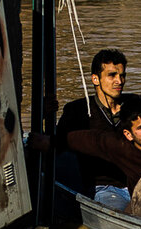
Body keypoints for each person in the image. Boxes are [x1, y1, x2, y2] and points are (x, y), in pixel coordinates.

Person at [55, 48, 131, 211]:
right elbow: (57, 145)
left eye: (122, 75)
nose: (119, 81)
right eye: (112, 75)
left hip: (138, 183)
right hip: (105, 188)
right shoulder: (78, 111)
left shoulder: (135, 106)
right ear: (95, 79)